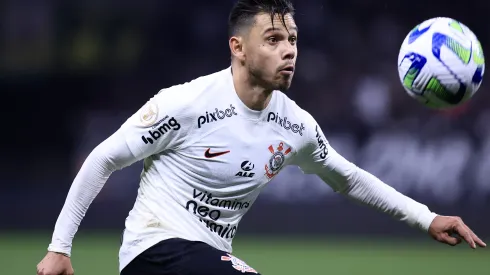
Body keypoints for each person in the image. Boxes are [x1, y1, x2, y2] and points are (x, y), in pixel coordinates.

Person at [36, 0, 486, 274]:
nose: (289, 49)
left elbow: (348, 178)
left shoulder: (295, 126)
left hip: (208, 258)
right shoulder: (185, 103)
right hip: (154, 252)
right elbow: (103, 159)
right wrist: (60, 248)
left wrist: (425, 218)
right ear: (238, 47)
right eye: (273, 39)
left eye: (292, 38)